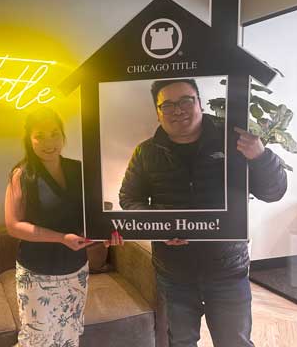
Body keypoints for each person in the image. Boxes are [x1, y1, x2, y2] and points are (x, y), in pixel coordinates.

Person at [119, 79, 287, 347]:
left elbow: (274, 192)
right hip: (174, 272)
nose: (178, 110)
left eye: (185, 101)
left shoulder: (234, 142)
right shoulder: (145, 152)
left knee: (235, 342)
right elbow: (129, 199)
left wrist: (261, 157)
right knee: (181, 342)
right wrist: (160, 227)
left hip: (227, 268)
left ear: (199, 102)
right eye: (167, 105)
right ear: (158, 112)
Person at [5, 106, 121, 347]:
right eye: (40, 136)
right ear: (29, 139)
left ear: (63, 135)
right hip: (36, 272)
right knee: (37, 339)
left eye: (54, 134)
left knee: (69, 333)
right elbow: (14, 226)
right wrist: (60, 237)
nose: (49, 142)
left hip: (75, 269)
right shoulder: (22, 175)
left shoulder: (79, 170)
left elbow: (93, 213)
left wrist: (106, 233)